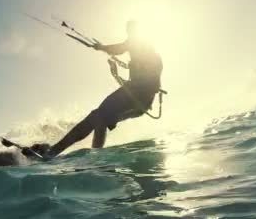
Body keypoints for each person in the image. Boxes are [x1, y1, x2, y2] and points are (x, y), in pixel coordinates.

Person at [33, 20, 163, 160]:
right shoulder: (138, 57)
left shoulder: (152, 56)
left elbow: (121, 49)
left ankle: (60, 153)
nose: (129, 38)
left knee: (99, 116)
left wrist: (101, 47)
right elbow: (132, 83)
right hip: (134, 98)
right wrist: (115, 74)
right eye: (128, 33)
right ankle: (87, 156)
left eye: (131, 33)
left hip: (139, 101)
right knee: (99, 118)